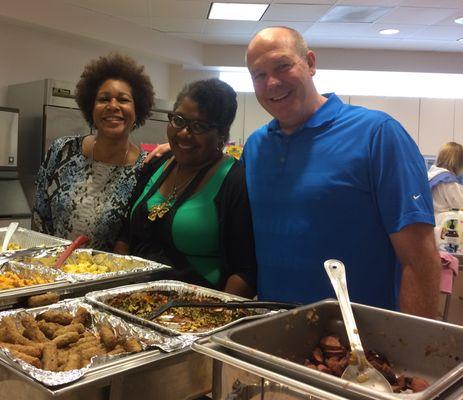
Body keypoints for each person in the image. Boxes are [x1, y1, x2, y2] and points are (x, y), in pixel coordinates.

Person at [147, 27, 441, 318]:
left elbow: (419, 260)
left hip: (362, 340)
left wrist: (414, 351)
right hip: (273, 332)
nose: (272, 82)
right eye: (259, 75)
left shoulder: (377, 135)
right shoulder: (257, 147)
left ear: (310, 63)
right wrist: (179, 150)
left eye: (283, 66)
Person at [114, 79, 256, 298]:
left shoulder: (235, 182)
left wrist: (216, 319)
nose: (183, 133)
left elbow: (245, 272)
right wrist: (115, 287)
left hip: (193, 314)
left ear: (221, 134)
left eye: (198, 126)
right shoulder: (156, 164)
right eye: (178, 120)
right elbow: (125, 236)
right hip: (131, 300)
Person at [33, 53, 154, 251]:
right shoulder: (62, 151)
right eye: (103, 99)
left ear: (137, 109)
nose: (113, 106)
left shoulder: (145, 170)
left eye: (123, 100)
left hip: (106, 277)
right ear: (91, 107)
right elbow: (39, 215)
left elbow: (134, 237)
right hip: (49, 271)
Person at [428, 142, 463, 224]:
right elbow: (460, 204)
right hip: (444, 225)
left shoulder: (431, 176)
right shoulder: (448, 181)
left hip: (430, 222)